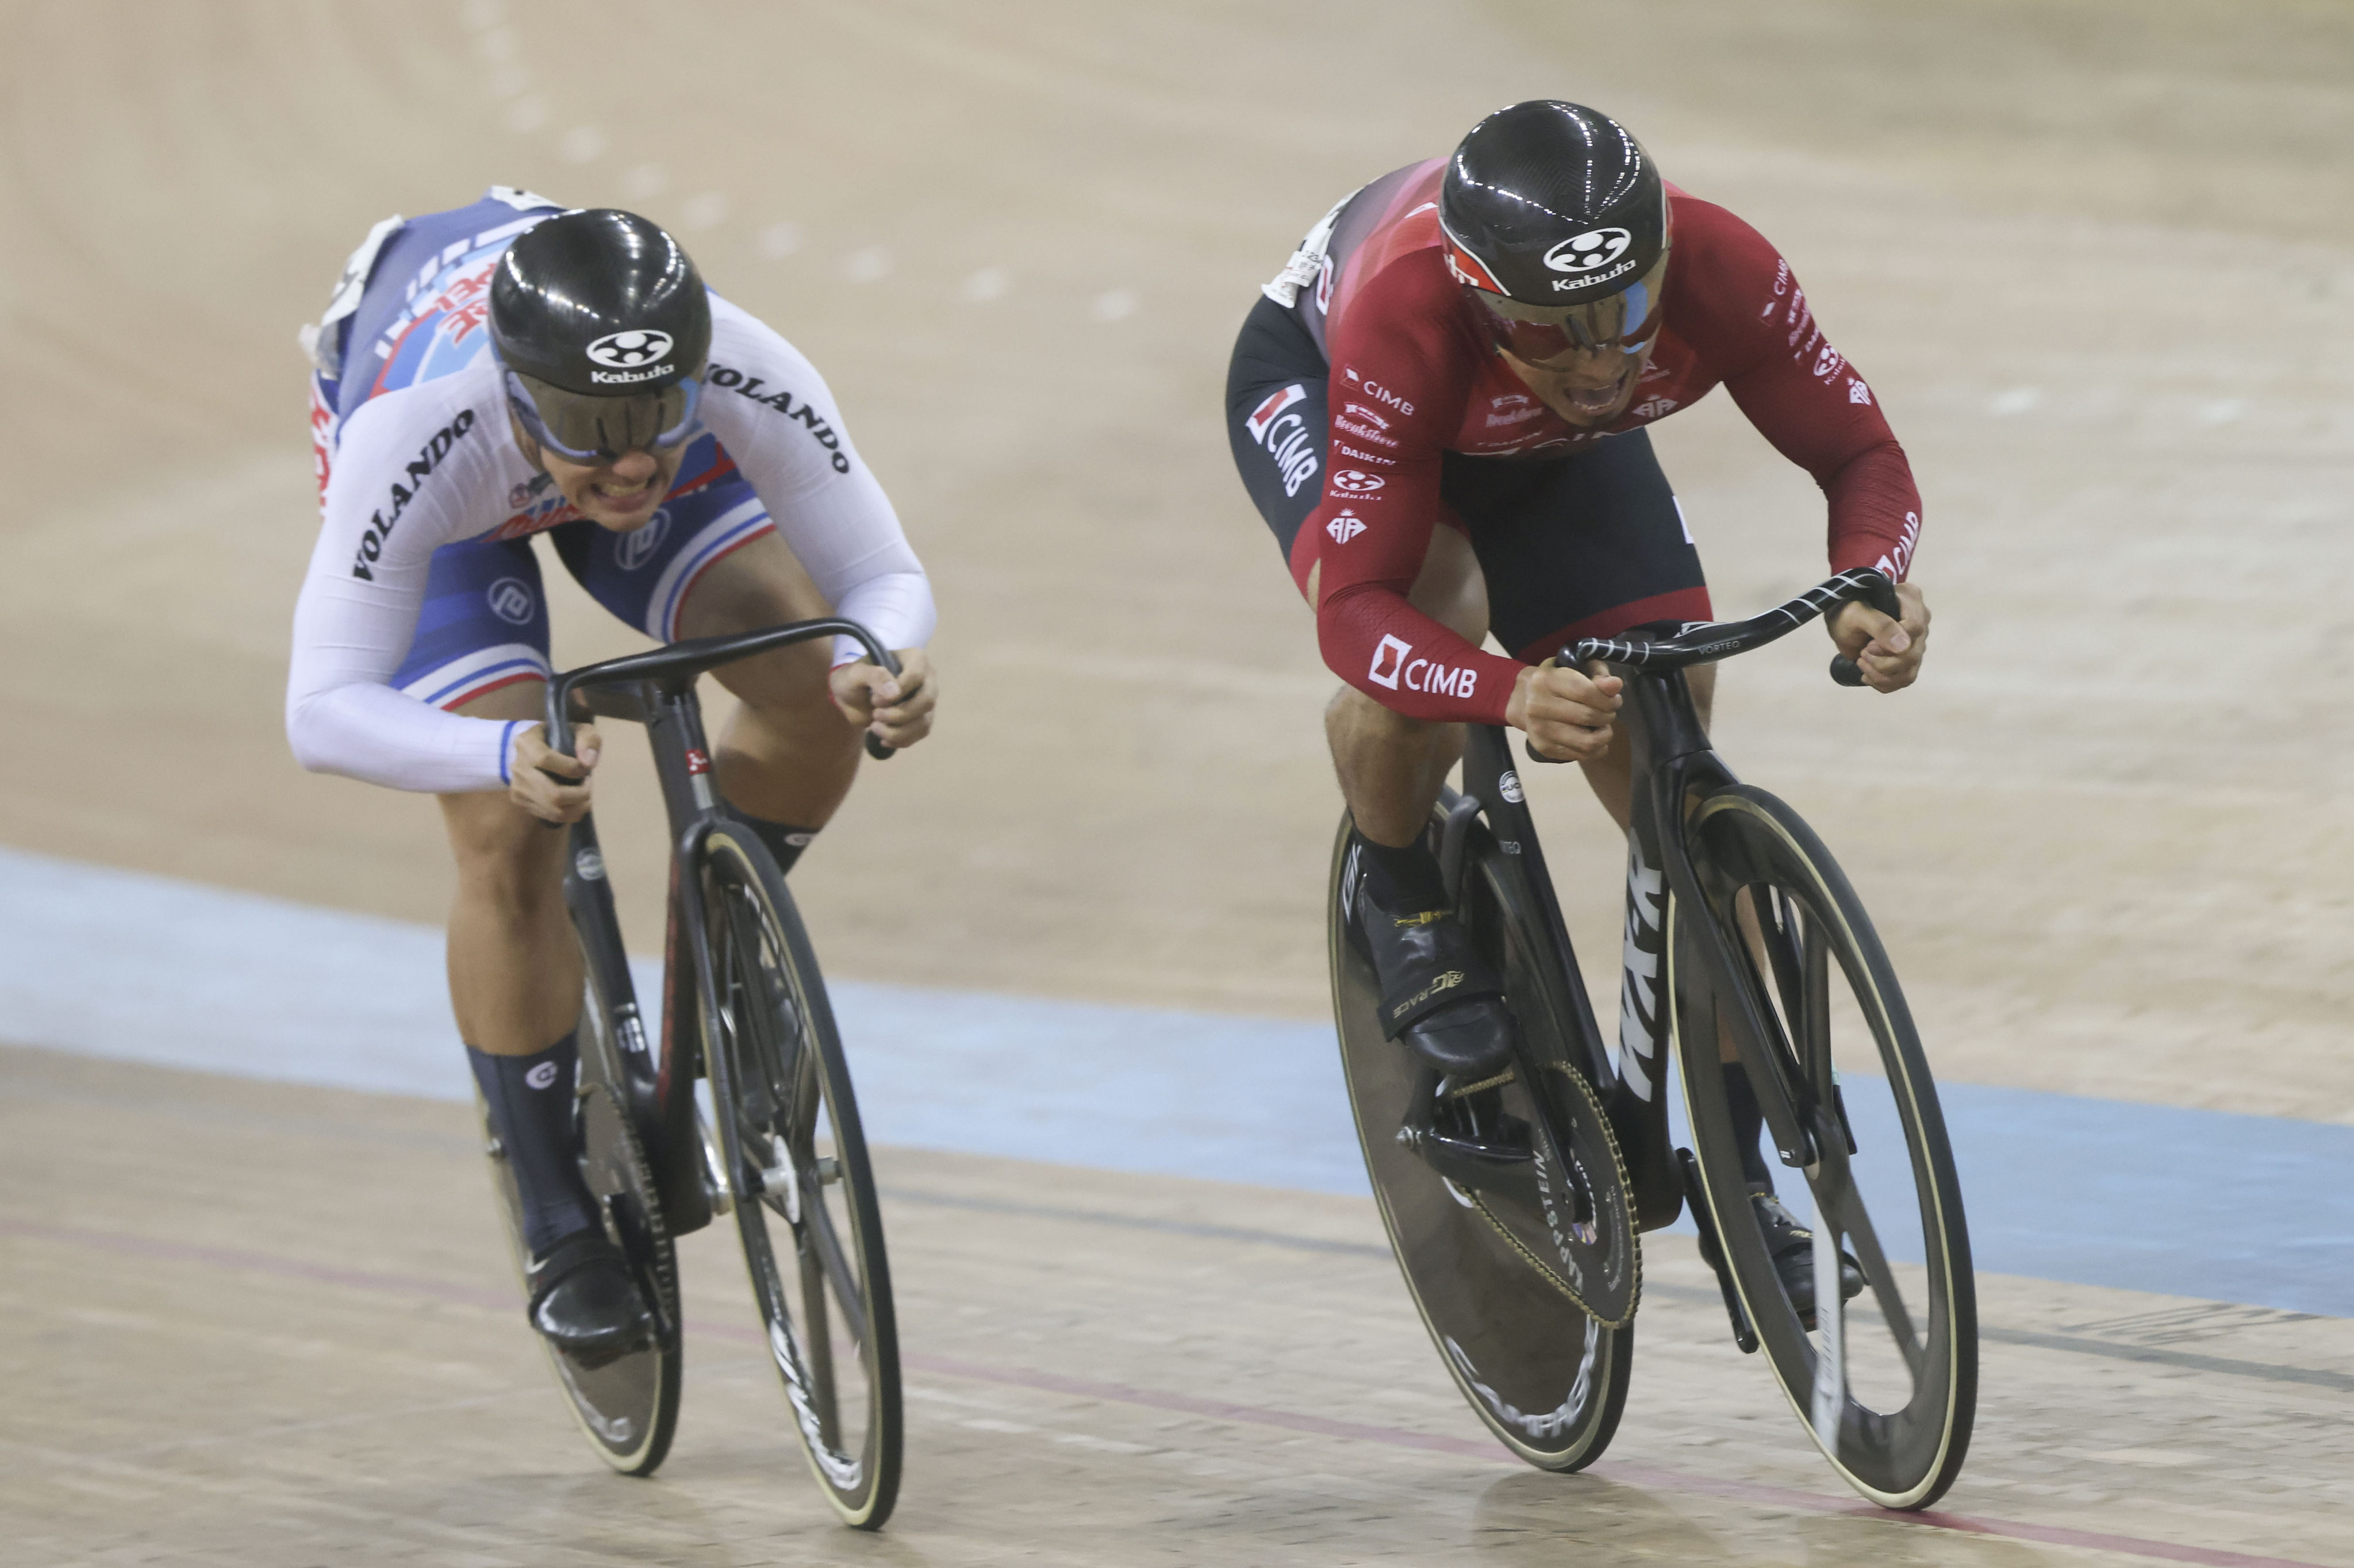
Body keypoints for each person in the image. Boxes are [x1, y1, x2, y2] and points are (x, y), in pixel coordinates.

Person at [1226, 101, 1922, 1317]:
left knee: (1671, 767)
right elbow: (1358, 612)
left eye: (1626, 316)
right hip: (1344, 392)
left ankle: (1737, 1169)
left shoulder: (1721, 269)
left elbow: (1859, 456)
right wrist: (1499, 690)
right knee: (1430, 617)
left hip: (1537, 444)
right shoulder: (1409, 314)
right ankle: (1410, 899)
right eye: (1555, 330)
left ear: (1660, 261)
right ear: (1485, 297)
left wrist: (1866, 581)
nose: (1601, 359)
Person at [289, 191, 937, 1363]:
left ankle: (728, 944)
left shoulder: (737, 363)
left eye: (657, 414)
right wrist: (493, 752)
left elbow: (879, 574)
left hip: (543, 440)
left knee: (802, 669)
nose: (630, 457)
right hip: (455, 507)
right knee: (508, 829)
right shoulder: (417, 430)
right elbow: (322, 710)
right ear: (521, 395)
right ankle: (559, 1223)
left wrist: (868, 663)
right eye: (592, 426)